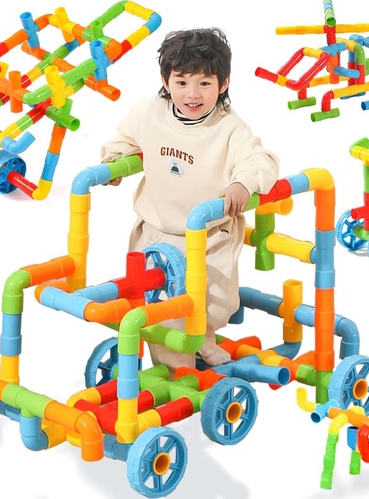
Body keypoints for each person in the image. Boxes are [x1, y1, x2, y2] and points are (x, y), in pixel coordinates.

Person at [100, 27, 279, 374]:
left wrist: (243, 183)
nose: (192, 94)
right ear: (166, 81)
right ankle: (177, 374)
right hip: (157, 230)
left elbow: (260, 160)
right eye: (181, 82)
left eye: (204, 83)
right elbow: (124, 138)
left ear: (223, 84)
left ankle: (201, 342)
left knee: (207, 305)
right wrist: (113, 162)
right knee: (156, 307)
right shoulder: (148, 112)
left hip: (209, 236)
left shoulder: (230, 128)